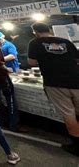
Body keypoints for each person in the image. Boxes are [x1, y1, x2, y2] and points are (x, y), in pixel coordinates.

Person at [28, 22, 79, 156]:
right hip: (76, 80)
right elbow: (77, 59)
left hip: (55, 83)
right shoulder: (65, 41)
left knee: (69, 114)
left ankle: (77, 146)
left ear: (35, 32)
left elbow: (32, 63)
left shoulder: (35, 43)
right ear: (49, 30)